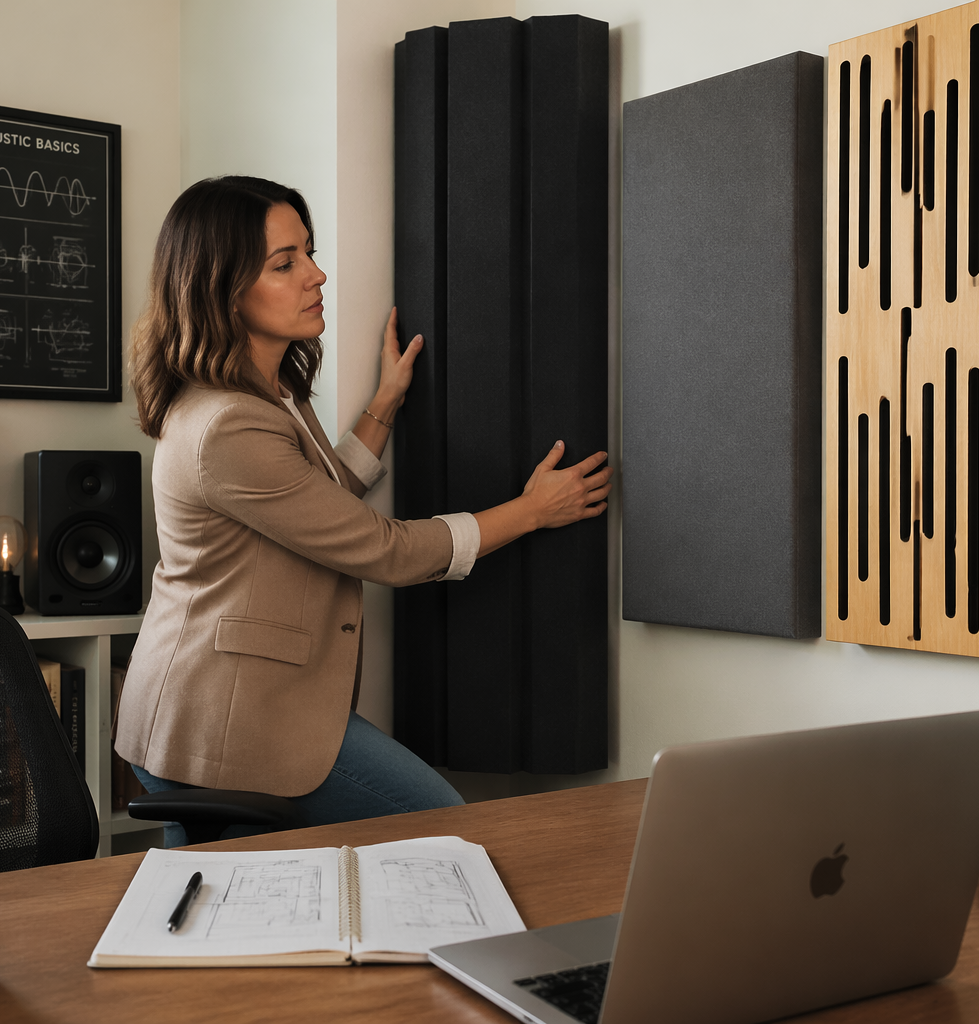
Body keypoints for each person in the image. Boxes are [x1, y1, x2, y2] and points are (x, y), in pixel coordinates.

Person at [114, 175, 610, 847]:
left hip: (224, 705)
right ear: (220, 286)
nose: (316, 276)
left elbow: (316, 504)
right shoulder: (227, 424)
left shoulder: (268, 390)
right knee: (444, 833)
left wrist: (385, 405)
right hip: (221, 719)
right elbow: (388, 550)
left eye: (309, 253)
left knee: (223, 914)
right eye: (285, 264)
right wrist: (530, 511)